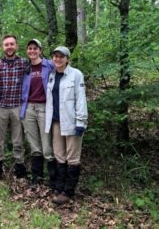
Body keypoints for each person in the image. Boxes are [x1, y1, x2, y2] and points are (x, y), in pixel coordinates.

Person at [45, 46, 88, 204]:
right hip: (56, 122)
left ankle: (68, 191)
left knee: (72, 158)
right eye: (55, 56)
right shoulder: (51, 75)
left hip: (72, 121)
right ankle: (59, 186)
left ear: (67, 59)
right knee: (59, 156)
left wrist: (81, 121)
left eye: (61, 56)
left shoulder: (76, 75)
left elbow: (80, 99)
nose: (58, 59)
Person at [0, 34, 30, 183]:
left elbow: (40, 70)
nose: (9, 47)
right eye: (6, 44)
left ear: (16, 46)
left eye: (12, 44)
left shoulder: (24, 63)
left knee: (18, 140)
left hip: (17, 107)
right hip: (0, 107)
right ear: (3, 47)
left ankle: (20, 169)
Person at [19, 39, 57, 190]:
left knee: (47, 146)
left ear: (40, 50)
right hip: (28, 108)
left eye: (35, 48)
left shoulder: (49, 65)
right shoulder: (25, 67)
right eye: (30, 48)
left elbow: (64, 71)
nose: (32, 51)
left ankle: (54, 180)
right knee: (34, 146)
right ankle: (37, 177)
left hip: (44, 108)